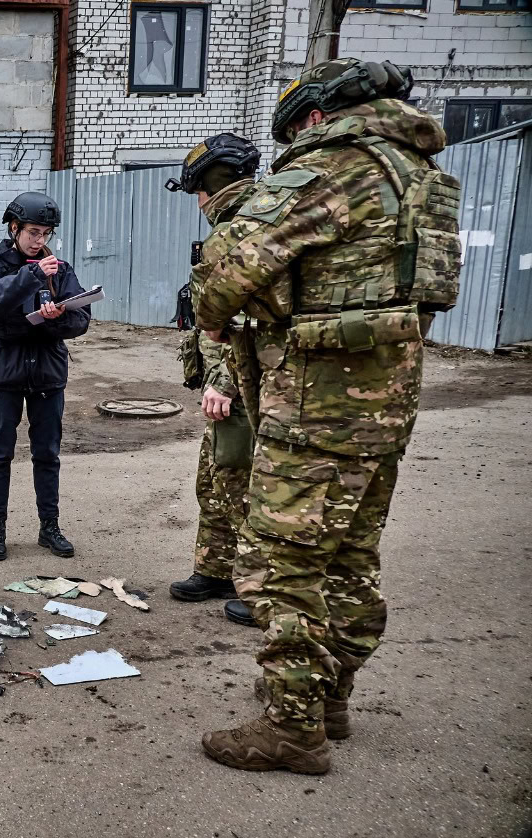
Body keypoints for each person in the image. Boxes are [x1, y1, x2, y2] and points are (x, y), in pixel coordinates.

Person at [194, 59, 461, 774]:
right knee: (349, 559)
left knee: (280, 566)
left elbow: (226, 277)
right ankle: (329, 696)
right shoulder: (423, 177)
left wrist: (214, 310)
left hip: (311, 411)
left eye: (294, 130)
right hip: (386, 407)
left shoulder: (336, 167)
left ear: (315, 115)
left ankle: (292, 727)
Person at [165, 134, 261, 628]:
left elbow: (248, 323)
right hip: (225, 386)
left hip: (243, 386)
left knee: (241, 484)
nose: (198, 203)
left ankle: (259, 586)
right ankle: (217, 568)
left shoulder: (251, 230)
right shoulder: (236, 225)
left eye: (198, 192)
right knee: (214, 480)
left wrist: (223, 381)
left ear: (213, 186)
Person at [0, 192, 90, 562]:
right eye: (34, 233)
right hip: (1, 372)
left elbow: (81, 319)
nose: (40, 242)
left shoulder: (61, 269)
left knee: (47, 454)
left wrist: (58, 317)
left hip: (47, 373)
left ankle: (49, 526)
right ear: (14, 228)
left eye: (46, 234)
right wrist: (32, 275)